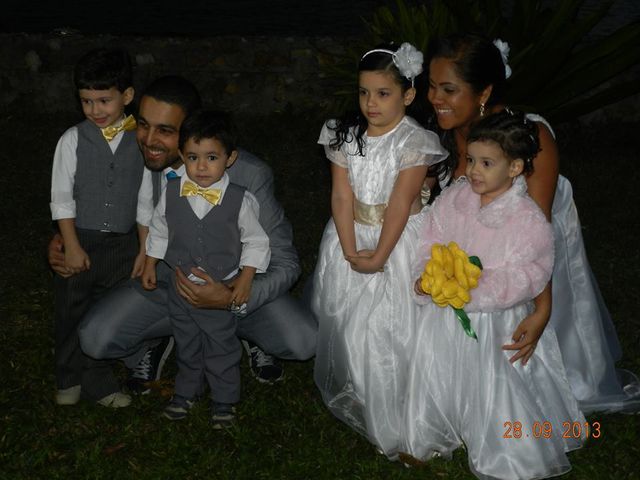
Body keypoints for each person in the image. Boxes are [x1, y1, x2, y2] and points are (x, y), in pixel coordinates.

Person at [47, 75, 316, 392]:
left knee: (303, 341)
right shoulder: (137, 158)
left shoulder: (249, 174)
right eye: (143, 125)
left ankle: (243, 332)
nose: (148, 140)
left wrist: (231, 297)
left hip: (235, 286)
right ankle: (162, 337)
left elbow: (286, 262)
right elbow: (96, 205)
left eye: (165, 130)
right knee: (95, 338)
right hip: (167, 287)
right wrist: (66, 238)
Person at [424, 32, 640, 413]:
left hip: (530, 270)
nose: (434, 99)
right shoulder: (446, 132)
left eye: (448, 89)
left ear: (484, 92)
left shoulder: (529, 137)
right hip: (466, 272)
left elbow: (534, 236)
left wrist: (542, 309)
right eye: (430, 86)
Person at [405, 110, 585, 479]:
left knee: (495, 383)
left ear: (515, 167)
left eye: (486, 163)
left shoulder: (527, 219)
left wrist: (475, 289)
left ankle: (507, 441)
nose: (473, 170)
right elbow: (432, 238)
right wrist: (429, 275)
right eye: (471, 160)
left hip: (497, 322)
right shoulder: (456, 199)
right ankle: (441, 425)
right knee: (441, 370)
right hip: (447, 313)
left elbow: (532, 272)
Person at [311, 42, 448, 456]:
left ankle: (402, 400)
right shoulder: (343, 135)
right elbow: (340, 196)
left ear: (408, 95)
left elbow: (403, 203)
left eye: (383, 93)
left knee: (392, 327)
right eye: (364, 92)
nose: (371, 103)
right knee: (353, 322)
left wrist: (380, 256)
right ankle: (366, 391)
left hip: (397, 239)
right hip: (351, 233)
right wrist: (351, 250)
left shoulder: (414, 141)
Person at [141, 110, 270, 427]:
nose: (201, 166)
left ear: (230, 158)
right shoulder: (171, 192)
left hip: (218, 288)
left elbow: (256, 241)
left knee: (220, 346)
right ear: (182, 156)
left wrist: (245, 278)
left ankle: (224, 400)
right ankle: (186, 392)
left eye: (211, 157)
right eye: (193, 157)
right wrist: (150, 262)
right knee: (186, 342)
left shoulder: (241, 200)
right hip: (179, 286)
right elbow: (159, 230)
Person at [49, 48, 153, 407]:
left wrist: (143, 249)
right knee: (70, 311)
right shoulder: (72, 140)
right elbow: (61, 197)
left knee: (104, 313)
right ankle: (67, 376)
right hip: (82, 239)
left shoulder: (140, 141)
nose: (95, 110)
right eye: (86, 101)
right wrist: (71, 243)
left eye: (104, 100)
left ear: (126, 96)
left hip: (122, 245)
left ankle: (98, 380)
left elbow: (144, 199)